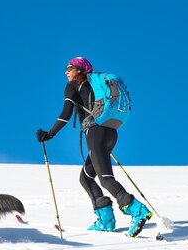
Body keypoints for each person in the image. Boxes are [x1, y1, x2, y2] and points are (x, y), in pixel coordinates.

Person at [36, 56, 152, 237]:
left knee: (105, 179)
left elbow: (66, 113)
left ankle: (137, 210)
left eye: (69, 68)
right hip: (111, 133)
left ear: (80, 70)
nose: (66, 72)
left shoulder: (73, 86)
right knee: (86, 178)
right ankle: (106, 220)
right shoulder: (95, 86)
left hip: (96, 133)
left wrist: (49, 134)